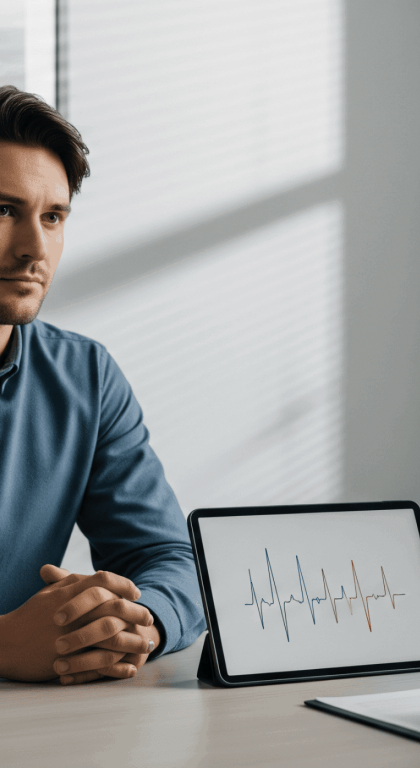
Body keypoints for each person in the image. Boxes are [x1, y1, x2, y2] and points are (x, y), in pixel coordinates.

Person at [0, 86, 205, 685]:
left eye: (53, 217)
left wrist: (137, 621)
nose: (34, 250)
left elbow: (166, 558)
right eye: (2, 211)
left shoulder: (85, 377)